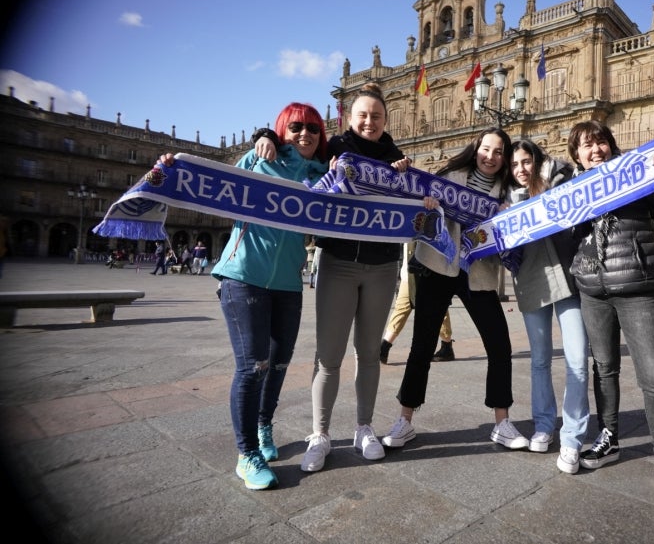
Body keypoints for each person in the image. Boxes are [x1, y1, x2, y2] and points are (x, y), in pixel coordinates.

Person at [160, 101, 330, 490]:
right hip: (243, 276)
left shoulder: (323, 175)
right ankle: (246, 452)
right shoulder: (258, 159)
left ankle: (264, 427)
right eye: (296, 127)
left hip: (288, 282)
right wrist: (176, 168)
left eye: (314, 129)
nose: (305, 134)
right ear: (282, 129)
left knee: (280, 362)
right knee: (253, 364)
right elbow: (213, 185)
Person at [256, 83, 424, 473]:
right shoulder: (331, 150)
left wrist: (423, 199)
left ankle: (364, 428)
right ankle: (320, 433)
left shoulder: (398, 159)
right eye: (363, 115)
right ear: (350, 118)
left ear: (386, 120)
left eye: (377, 116)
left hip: (382, 268)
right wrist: (264, 134)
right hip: (339, 262)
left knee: (369, 354)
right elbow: (291, 154)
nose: (370, 121)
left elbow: (414, 203)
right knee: (328, 357)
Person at [567, 118, 654, 503]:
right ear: (576, 157)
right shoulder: (571, 191)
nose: (594, 149)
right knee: (605, 368)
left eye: (600, 142)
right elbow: (556, 231)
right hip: (593, 292)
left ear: (611, 146)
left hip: (639, 287)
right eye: (586, 146)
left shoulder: (637, 177)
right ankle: (609, 437)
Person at [381, 127, 531, 452]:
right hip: (438, 264)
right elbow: (416, 202)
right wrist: (426, 199)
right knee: (421, 346)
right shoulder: (449, 175)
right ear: (476, 148)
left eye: (497, 152)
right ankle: (404, 420)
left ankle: (502, 422)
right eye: (486, 149)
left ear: (504, 158)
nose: (490, 157)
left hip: (477, 272)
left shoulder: (508, 192)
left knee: (499, 345)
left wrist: (508, 218)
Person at [503, 138, 590, 473]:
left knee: (577, 360)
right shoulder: (506, 200)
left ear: (537, 161)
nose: (520, 170)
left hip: (567, 276)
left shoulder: (561, 182)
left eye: (525, 162)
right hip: (532, 279)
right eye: (514, 165)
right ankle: (544, 424)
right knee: (539, 359)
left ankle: (571, 437)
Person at [380, 241, 454, 365]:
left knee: (434, 308)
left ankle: (384, 347)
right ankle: (447, 346)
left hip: (426, 271)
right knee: (436, 307)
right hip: (411, 272)